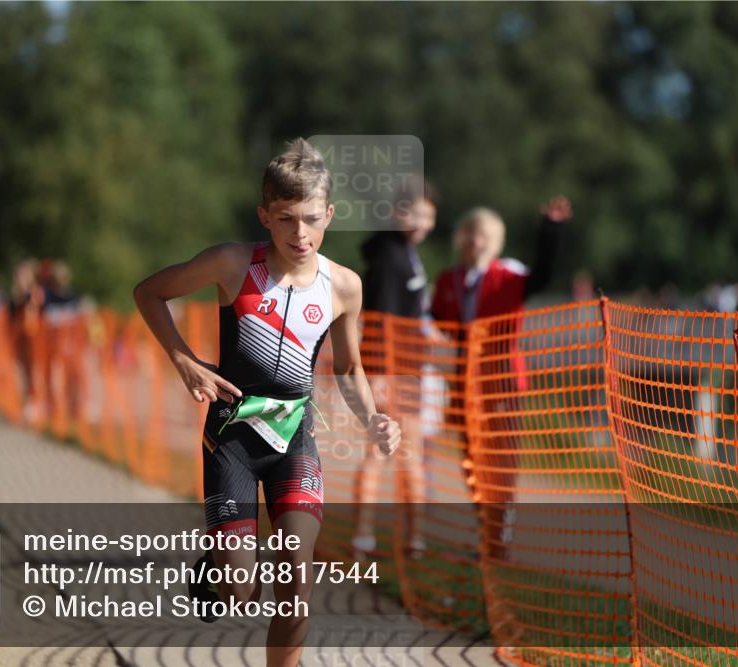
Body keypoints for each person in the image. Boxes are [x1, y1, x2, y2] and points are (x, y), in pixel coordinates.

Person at [133, 138, 401, 667]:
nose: (298, 234)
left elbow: (349, 368)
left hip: (295, 439)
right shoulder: (232, 264)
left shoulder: (344, 286)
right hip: (231, 438)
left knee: (296, 582)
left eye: (309, 219)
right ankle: (220, 576)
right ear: (264, 216)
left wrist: (375, 419)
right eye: (284, 219)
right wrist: (183, 359)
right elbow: (149, 292)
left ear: (329, 215)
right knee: (240, 587)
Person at [430, 199, 571, 554]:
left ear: (492, 240)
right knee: (471, 457)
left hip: (504, 380)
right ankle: (486, 524)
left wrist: (550, 231)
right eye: (468, 235)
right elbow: (437, 321)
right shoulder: (449, 280)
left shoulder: (508, 276)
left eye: (481, 236)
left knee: (501, 458)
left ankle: (501, 532)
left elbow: (543, 275)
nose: (473, 242)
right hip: (465, 382)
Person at [353, 178, 438, 559]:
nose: (420, 221)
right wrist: (381, 376)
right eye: (413, 212)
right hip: (391, 371)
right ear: (395, 212)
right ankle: (365, 535)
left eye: (427, 215)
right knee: (382, 454)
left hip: (410, 368)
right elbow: (382, 319)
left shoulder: (406, 251)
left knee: (409, 456)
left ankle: (413, 539)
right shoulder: (389, 256)